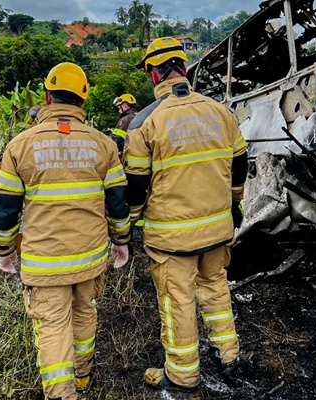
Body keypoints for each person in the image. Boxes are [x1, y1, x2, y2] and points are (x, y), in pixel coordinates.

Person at [0, 62, 131, 400]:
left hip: (45, 261)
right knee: (84, 314)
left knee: (53, 326)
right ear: (82, 101)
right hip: (90, 258)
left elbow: (6, 209)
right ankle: (81, 378)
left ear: (46, 96)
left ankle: (62, 394)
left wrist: (4, 251)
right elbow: (117, 203)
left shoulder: (19, 145)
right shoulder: (104, 145)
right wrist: (122, 242)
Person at [123, 37, 248, 392]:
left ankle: (182, 374)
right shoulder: (221, 112)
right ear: (185, 68)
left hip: (172, 236)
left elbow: (136, 186)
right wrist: (234, 203)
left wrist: (130, 223)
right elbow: (240, 165)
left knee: (178, 301)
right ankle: (229, 354)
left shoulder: (144, 123)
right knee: (214, 287)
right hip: (218, 228)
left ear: (152, 74)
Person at [111, 94, 138, 158]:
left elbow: (117, 141)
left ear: (125, 105)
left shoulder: (125, 120)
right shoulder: (140, 116)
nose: (119, 111)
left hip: (128, 158)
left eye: (119, 108)